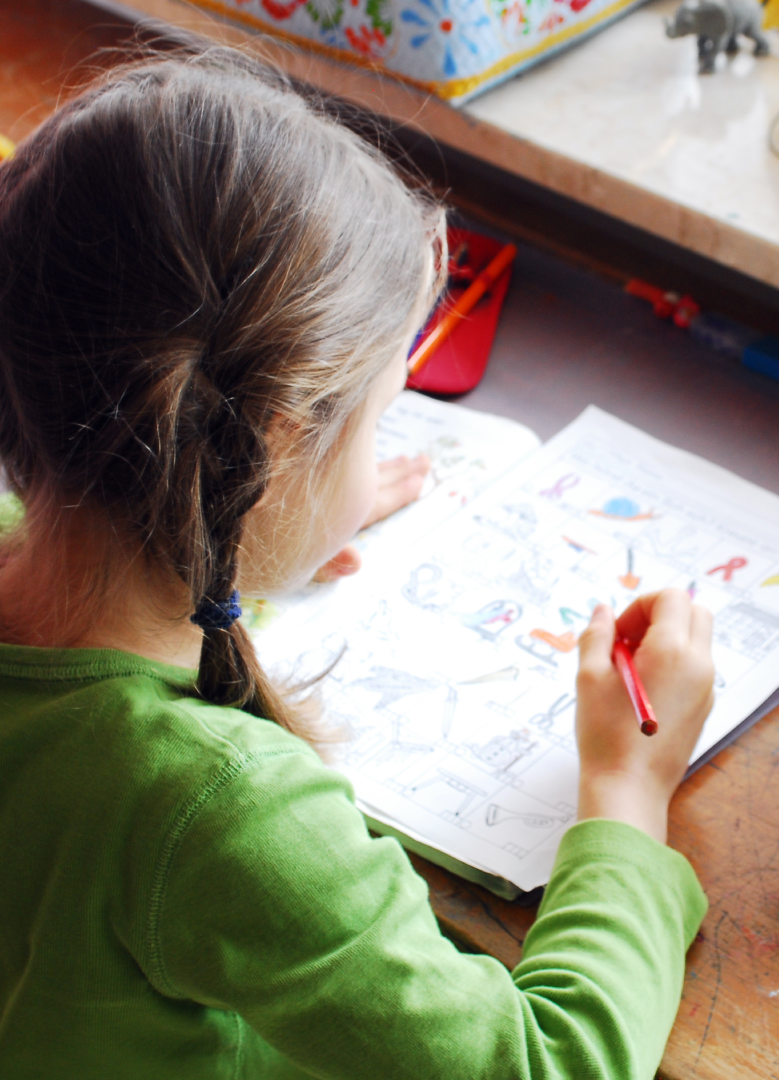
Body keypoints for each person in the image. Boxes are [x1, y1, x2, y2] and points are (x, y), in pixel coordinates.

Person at [0, 48, 715, 1079]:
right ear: (273, 449)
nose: (379, 449)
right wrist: (626, 795)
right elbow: (546, 1065)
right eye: (377, 423)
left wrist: (261, 518)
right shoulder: (215, 811)